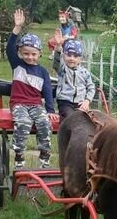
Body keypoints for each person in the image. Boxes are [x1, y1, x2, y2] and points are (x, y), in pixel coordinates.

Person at [6, 9, 57, 169]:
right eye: (26, 53)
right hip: (19, 104)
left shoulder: (43, 72)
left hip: (36, 105)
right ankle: (19, 158)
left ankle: (44, 158)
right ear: (20, 53)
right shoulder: (17, 65)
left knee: (44, 123)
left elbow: (48, 92)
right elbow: (9, 48)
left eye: (33, 54)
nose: (30, 57)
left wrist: (50, 110)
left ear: (39, 54)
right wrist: (17, 28)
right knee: (23, 123)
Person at [52, 29, 95, 122]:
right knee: (72, 119)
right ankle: (69, 136)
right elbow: (56, 62)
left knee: (88, 121)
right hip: (65, 103)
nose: (72, 58)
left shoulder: (84, 73)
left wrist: (87, 101)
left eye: (75, 56)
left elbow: (91, 87)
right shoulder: (63, 69)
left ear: (80, 58)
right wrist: (59, 46)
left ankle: (86, 137)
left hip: (80, 103)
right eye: (69, 55)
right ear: (64, 56)